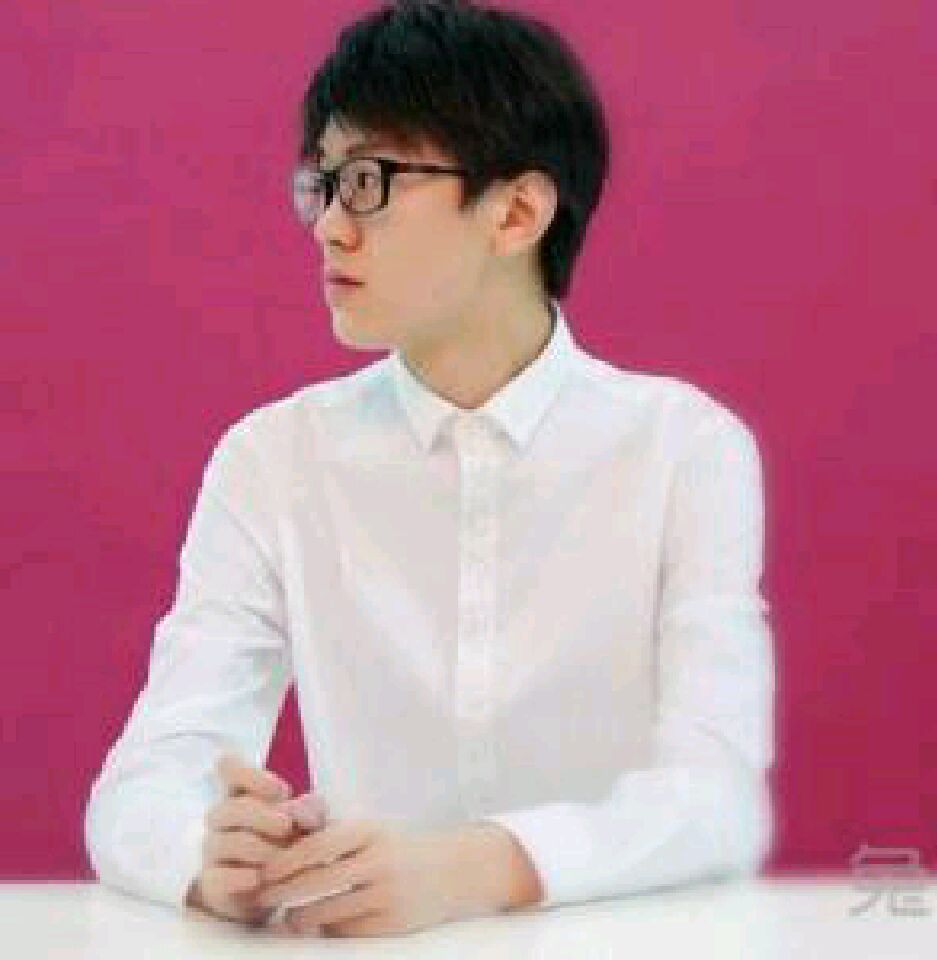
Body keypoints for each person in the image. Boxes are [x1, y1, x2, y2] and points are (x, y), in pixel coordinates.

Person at [85, 0, 775, 939]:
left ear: (517, 212)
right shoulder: (275, 458)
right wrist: (211, 862)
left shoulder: (682, 449)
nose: (330, 227)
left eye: (370, 182)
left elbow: (720, 797)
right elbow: (141, 786)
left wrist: (476, 868)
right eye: (323, 184)